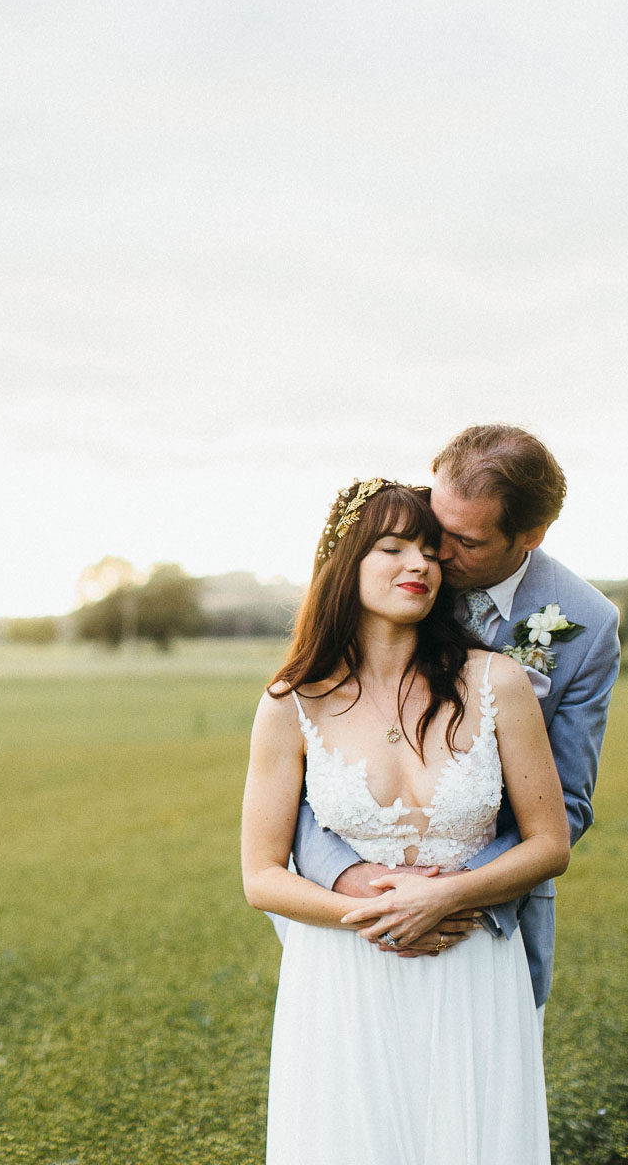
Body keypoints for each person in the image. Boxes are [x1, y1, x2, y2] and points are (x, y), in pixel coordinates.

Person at [241, 479, 571, 1163]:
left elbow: (550, 843)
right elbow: (262, 877)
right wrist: (380, 916)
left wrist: (446, 896)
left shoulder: (497, 683)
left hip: (472, 961)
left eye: (429, 550)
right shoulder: (290, 703)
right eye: (392, 547)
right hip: (344, 974)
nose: (419, 564)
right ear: (345, 562)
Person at [292, 425, 621, 1007]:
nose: (436, 554)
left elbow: (566, 802)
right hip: (359, 915)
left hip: (486, 923)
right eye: (435, 526)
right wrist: (352, 880)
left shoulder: (586, 626)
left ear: (531, 536)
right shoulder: (401, 567)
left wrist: (453, 892)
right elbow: (314, 751)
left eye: (464, 542)